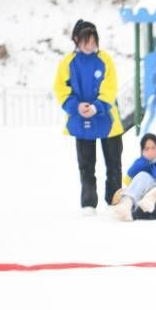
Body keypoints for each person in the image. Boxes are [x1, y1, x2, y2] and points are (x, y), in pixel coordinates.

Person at [53, 19, 125, 215]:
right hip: (80, 118)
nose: (90, 45)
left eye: (93, 41)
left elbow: (110, 87)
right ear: (76, 39)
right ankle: (88, 203)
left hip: (107, 119)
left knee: (114, 164)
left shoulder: (105, 60)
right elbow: (60, 88)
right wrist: (76, 106)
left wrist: (97, 106)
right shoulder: (68, 62)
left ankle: (115, 200)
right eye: (86, 41)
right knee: (86, 165)